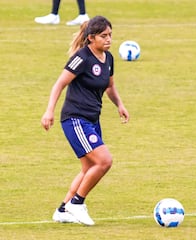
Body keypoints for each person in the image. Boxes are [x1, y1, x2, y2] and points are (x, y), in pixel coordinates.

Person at [41, 16, 130, 225]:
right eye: (103, 36)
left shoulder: (108, 58)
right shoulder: (81, 58)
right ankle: (77, 203)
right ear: (91, 38)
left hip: (92, 120)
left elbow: (109, 86)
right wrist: (49, 111)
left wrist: (119, 104)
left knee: (88, 168)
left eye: (110, 35)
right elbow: (59, 84)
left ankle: (63, 209)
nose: (108, 39)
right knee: (104, 161)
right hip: (75, 119)